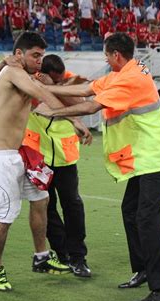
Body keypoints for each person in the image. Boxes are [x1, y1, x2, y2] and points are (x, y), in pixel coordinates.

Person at [34, 32, 160, 301]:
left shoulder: (129, 79)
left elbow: (91, 105)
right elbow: (87, 89)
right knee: (131, 211)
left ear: (116, 55)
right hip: (142, 157)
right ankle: (143, 270)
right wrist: (48, 90)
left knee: (147, 219)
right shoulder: (124, 71)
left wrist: (52, 111)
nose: (104, 58)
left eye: (106, 55)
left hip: (154, 157)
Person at [0, 32, 76, 292]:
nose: (40, 61)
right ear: (19, 54)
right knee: (5, 217)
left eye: (42, 55)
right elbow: (41, 93)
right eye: (35, 55)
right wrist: (76, 119)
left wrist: (1, 62)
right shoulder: (14, 72)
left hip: (18, 153)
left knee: (40, 199)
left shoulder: (12, 70)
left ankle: (41, 257)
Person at [23, 54, 93, 277]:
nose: (63, 79)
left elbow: (81, 105)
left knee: (72, 205)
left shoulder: (66, 78)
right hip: (39, 157)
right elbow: (37, 103)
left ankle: (78, 257)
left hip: (66, 156)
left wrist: (54, 86)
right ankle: (62, 255)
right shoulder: (28, 80)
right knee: (46, 207)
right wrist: (46, 88)